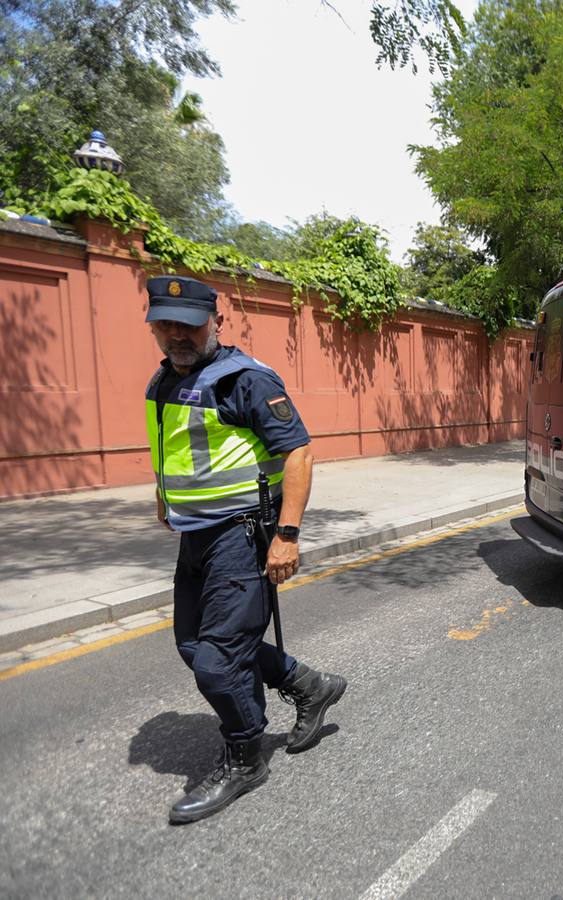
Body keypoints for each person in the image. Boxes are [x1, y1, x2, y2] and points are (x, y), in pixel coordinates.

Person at [143, 275, 347, 825]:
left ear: (216, 323)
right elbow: (173, 448)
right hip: (195, 538)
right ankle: (310, 685)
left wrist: (287, 535)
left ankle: (245, 754)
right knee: (193, 645)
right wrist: (162, 495)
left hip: (243, 535)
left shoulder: (247, 382)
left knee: (216, 662)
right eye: (164, 324)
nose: (175, 334)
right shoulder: (162, 382)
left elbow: (299, 454)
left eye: (188, 325)